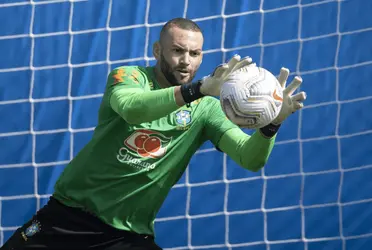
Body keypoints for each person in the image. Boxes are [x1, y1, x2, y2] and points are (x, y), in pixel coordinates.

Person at [2, 17, 306, 250]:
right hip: (68, 218)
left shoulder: (207, 109)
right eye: (177, 50)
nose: (186, 60)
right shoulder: (128, 76)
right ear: (157, 50)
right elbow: (133, 109)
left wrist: (271, 124)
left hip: (128, 236)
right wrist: (197, 89)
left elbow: (250, 158)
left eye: (195, 53)